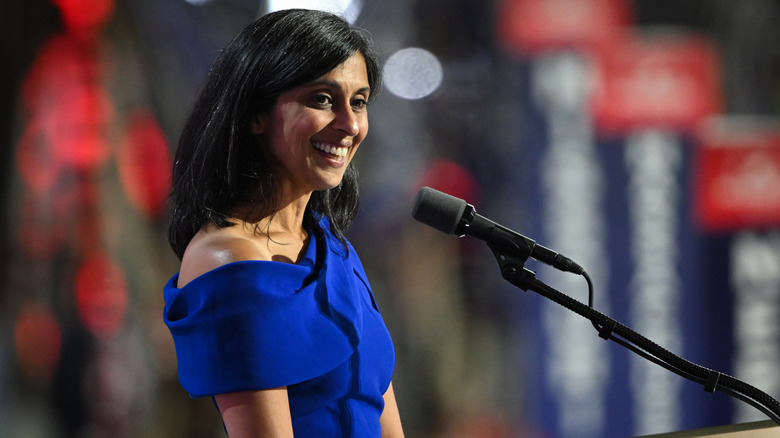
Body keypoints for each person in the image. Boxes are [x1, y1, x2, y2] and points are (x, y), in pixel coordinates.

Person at [162, 9, 404, 437]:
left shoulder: (336, 251)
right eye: (323, 99)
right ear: (256, 113)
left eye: (359, 102)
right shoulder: (229, 260)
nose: (350, 125)